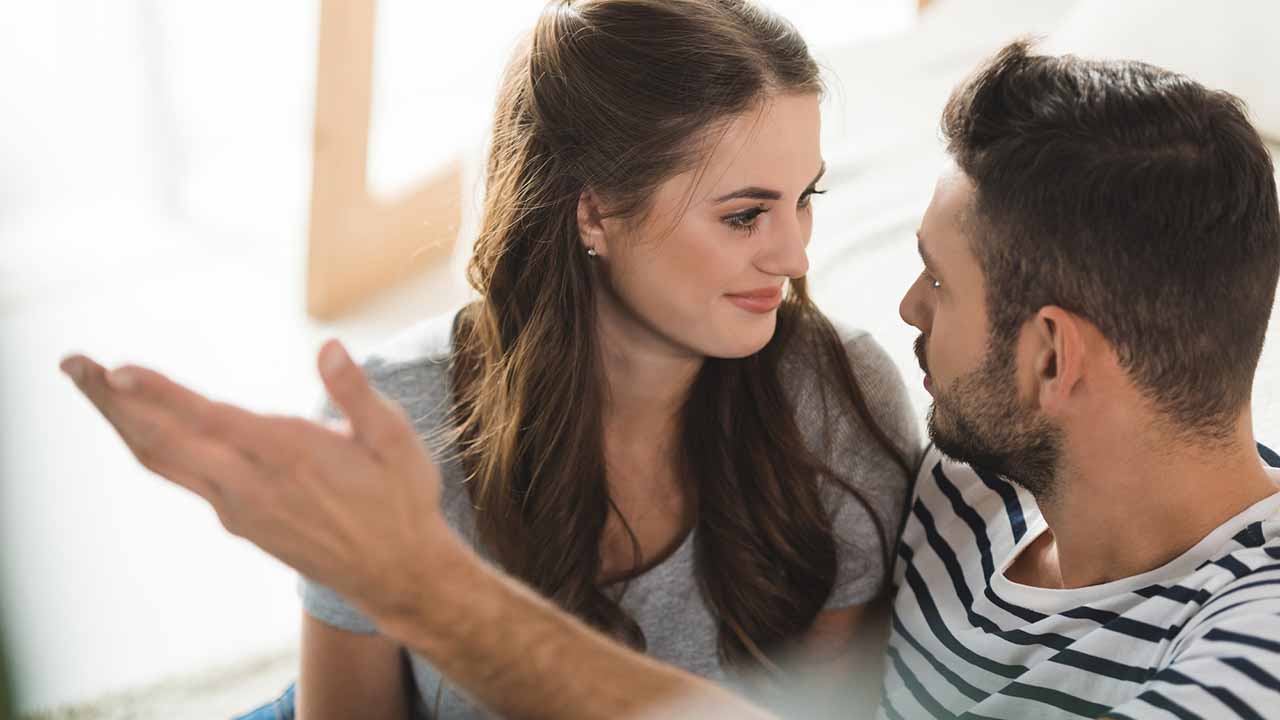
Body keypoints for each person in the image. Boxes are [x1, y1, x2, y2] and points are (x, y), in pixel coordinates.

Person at [61, 35, 1280, 720]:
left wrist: (420, 584)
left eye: (936, 289)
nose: (831, 275)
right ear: (591, 215)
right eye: (752, 210)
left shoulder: (1243, 665)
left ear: (1052, 355)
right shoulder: (967, 489)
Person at [71, 1, 919, 718]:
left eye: (806, 200)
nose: (798, 257)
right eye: (745, 216)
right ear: (594, 215)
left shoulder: (841, 402)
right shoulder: (404, 417)